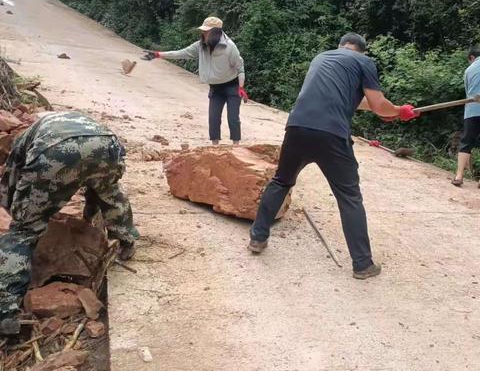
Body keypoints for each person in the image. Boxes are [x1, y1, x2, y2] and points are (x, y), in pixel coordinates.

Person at [248, 33, 418, 280]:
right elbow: (378, 104)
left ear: (341, 47)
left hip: (296, 127)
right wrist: (398, 111)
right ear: (361, 51)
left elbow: (361, 103)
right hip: (331, 134)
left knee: (281, 181)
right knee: (349, 197)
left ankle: (258, 237)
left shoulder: (322, 58)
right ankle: (362, 264)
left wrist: (391, 111)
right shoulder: (363, 62)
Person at [0, 111, 139, 335]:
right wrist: (88, 215)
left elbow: (11, 183)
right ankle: (126, 240)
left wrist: (19, 215)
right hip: (106, 143)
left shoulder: (21, 143)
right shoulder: (60, 122)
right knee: (109, 191)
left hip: (56, 151)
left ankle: (5, 311)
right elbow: (93, 185)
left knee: (23, 232)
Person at [142, 17, 248, 145]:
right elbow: (181, 53)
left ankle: (236, 146)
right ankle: (215, 147)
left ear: (216, 32)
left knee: (233, 118)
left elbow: (240, 67)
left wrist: (241, 87)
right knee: (213, 118)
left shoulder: (229, 47)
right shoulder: (200, 46)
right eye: (203, 31)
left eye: (206, 31)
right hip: (215, 88)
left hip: (232, 86)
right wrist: (158, 54)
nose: (203, 33)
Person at [452, 45, 480, 186]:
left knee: (466, 142)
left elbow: (469, 91)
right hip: (474, 106)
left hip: (472, 110)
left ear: (471, 58)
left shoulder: (469, 70)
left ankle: (459, 176)